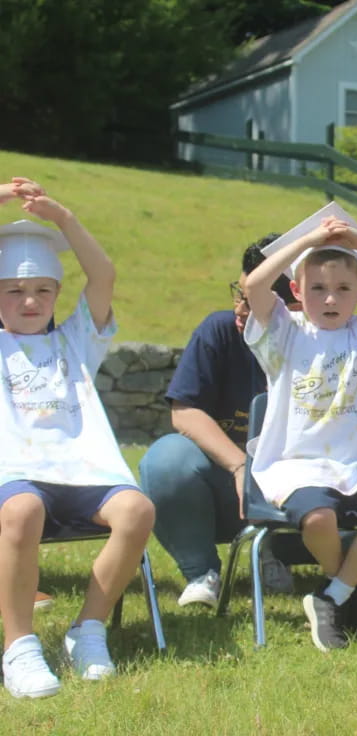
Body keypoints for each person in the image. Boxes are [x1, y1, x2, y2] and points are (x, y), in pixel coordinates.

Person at [0, 178, 155, 698]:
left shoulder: (76, 339)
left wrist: (63, 219)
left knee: (136, 511)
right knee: (21, 510)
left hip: (84, 472)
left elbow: (104, 273)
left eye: (42, 290)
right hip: (16, 477)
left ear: (57, 294)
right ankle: (19, 648)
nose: (29, 301)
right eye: (14, 291)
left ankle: (87, 630)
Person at [244, 202, 357, 651]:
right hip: (298, 463)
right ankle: (348, 594)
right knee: (319, 518)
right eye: (317, 288)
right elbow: (255, 283)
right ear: (297, 292)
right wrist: (307, 242)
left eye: (343, 288)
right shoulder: (284, 332)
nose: (329, 298)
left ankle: (329, 596)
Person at [139, 235, 298, 608]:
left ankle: (276, 553)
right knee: (166, 461)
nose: (238, 307)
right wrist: (240, 465)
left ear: (291, 304)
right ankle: (202, 573)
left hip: (296, 490)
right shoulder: (221, 331)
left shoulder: (320, 344)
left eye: (250, 298)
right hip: (225, 489)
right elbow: (185, 412)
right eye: (238, 292)